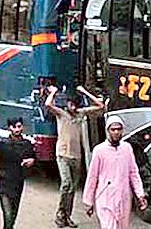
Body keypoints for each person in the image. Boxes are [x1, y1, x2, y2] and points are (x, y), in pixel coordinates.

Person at [45, 86, 105, 228]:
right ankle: (60, 213)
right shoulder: (61, 114)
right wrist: (53, 92)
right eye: (69, 104)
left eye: (73, 104)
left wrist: (84, 92)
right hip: (63, 154)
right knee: (66, 183)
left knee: (72, 188)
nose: (71, 106)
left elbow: (100, 106)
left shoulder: (80, 114)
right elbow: (48, 105)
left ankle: (67, 216)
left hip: (76, 156)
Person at [83, 115, 147, 229]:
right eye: (113, 129)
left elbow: (133, 173)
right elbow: (93, 176)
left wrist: (140, 194)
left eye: (119, 129)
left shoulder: (127, 148)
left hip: (124, 198)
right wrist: (89, 201)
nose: (116, 132)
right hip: (105, 198)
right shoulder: (99, 150)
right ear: (108, 131)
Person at [0, 117, 36, 229]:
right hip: (4, 185)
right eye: (14, 127)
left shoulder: (27, 145)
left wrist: (32, 161)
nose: (17, 129)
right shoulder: (2, 145)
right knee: (8, 216)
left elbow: (34, 161)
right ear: (9, 128)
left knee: (13, 216)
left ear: (22, 127)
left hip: (18, 184)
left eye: (19, 126)